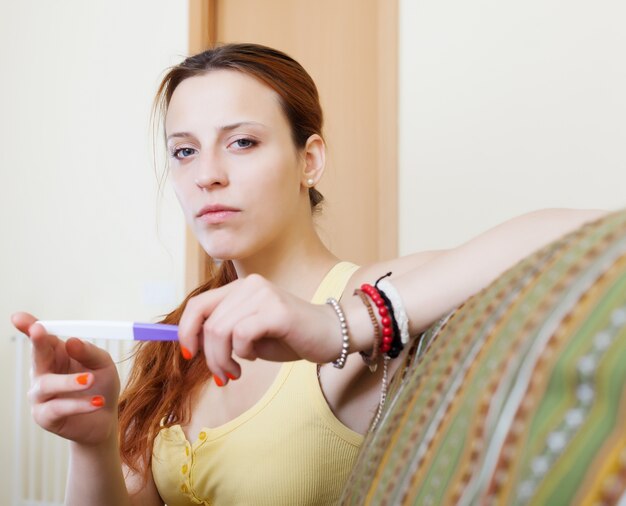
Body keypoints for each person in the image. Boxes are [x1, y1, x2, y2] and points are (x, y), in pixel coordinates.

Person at [11, 43, 609, 505]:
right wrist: (93, 444)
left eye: (242, 142)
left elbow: (592, 236)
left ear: (310, 159)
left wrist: (340, 323)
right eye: (184, 151)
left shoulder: (363, 296)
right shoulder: (175, 340)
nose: (207, 175)